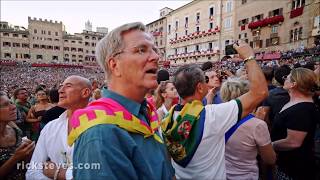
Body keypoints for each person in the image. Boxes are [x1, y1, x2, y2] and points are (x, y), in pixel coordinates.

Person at [69, 22, 174, 179]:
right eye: (141, 50)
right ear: (115, 65)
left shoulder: (145, 112)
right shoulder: (101, 134)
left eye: (154, 50)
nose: (156, 56)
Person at [161, 41, 268, 179]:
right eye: (205, 80)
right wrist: (249, 57)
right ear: (200, 87)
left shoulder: (167, 118)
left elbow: (168, 159)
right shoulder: (212, 115)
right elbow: (260, 92)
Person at [26, 75, 92, 180]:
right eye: (61, 86)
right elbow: (33, 170)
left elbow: (100, 171)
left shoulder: (100, 127)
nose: (60, 90)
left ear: (85, 92)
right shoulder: (50, 127)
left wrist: (59, 173)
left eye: (68, 86)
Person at [220, 78, 276, 180]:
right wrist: (259, 123)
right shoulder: (257, 125)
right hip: (245, 176)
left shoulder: (216, 118)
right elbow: (270, 159)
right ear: (247, 96)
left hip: (221, 174)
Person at [271, 68, 319, 180]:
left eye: (287, 77)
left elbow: (293, 142)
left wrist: (270, 145)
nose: (284, 79)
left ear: (293, 84)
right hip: (288, 163)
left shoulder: (301, 110)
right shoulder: (297, 102)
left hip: (295, 167)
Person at [0, 91, 35, 179]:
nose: (13, 107)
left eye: (11, 103)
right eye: (5, 105)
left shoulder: (14, 128)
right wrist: (15, 157)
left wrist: (29, 150)